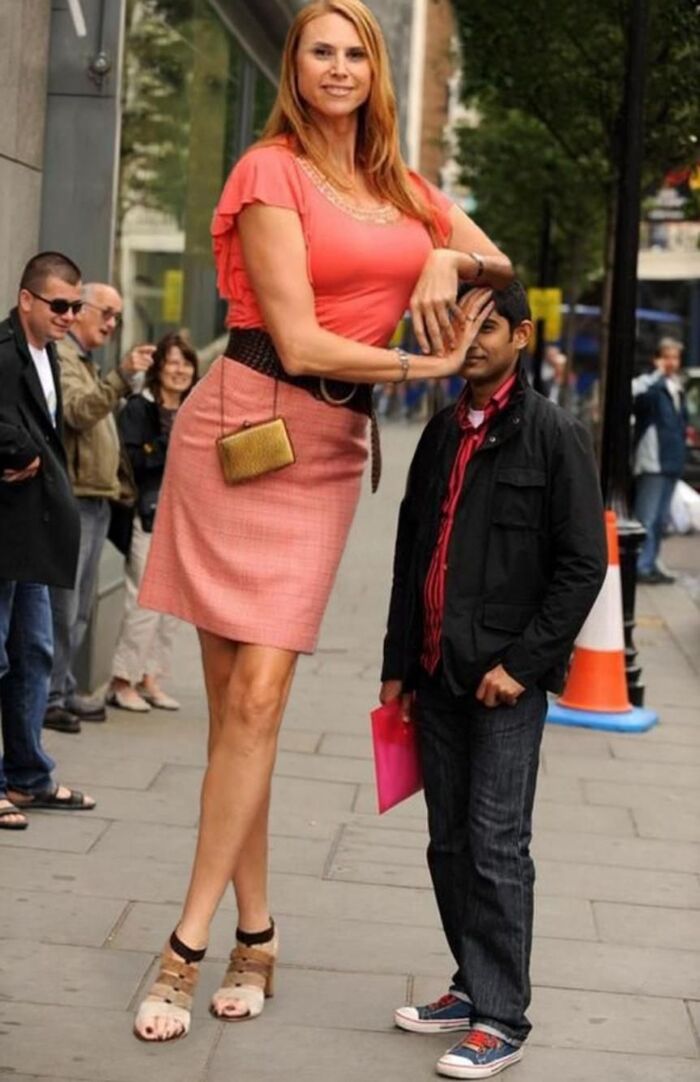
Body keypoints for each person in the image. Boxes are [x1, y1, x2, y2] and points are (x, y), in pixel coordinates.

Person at [133, 0, 513, 1043]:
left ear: (372, 70)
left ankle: (186, 942)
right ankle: (248, 930)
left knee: (258, 700)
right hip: (242, 430)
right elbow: (298, 341)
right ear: (294, 69)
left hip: (329, 455)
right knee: (239, 713)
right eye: (320, 52)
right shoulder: (270, 171)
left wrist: (443, 260)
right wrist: (423, 366)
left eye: (354, 53)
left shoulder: (402, 189)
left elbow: (495, 260)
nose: (338, 68)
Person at [381, 281, 606, 1079]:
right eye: (460, 324)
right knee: (448, 842)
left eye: (488, 326)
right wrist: (397, 666)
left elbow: (583, 565)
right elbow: (412, 553)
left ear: (521, 336)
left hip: (504, 684)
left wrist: (523, 665)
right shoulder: (441, 432)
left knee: (497, 845)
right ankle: (471, 983)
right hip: (436, 674)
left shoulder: (554, 435)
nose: (471, 339)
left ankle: (502, 1018)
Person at [0, 251, 96, 829]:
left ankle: (28, 776)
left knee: (34, 651)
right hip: (5, 527)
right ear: (26, 299)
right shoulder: (4, 353)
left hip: (30, 532)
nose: (68, 316)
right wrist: (16, 453)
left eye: (75, 306)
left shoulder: (49, 353)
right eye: (59, 304)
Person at [45, 284, 155, 733]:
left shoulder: (85, 360)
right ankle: (51, 695)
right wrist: (120, 377)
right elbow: (77, 412)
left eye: (117, 317)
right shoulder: (64, 357)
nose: (111, 324)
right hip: (75, 496)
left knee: (79, 607)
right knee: (64, 605)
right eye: (106, 313)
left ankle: (62, 687)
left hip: (95, 497)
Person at [107, 333, 198, 712]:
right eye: (173, 362)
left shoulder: (196, 408)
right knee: (143, 600)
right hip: (149, 514)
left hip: (187, 518)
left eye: (186, 363)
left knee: (173, 607)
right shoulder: (139, 409)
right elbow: (132, 462)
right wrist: (170, 443)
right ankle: (121, 680)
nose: (180, 370)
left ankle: (150, 677)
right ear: (159, 367)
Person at [633, 337, 687, 584]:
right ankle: (641, 566)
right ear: (656, 359)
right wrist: (656, 374)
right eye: (666, 357)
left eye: (675, 357)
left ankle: (651, 563)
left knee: (660, 520)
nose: (671, 363)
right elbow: (636, 396)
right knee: (647, 516)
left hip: (671, 460)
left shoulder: (676, 387)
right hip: (653, 461)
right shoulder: (650, 386)